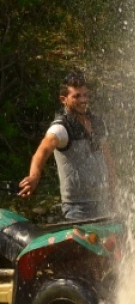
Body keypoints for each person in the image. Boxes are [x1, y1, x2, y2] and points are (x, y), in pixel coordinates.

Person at [18, 71, 117, 220]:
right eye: (76, 96)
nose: (83, 100)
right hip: (77, 208)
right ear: (64, 99)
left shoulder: (98, 123)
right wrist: (34, 176)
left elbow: (108, 161)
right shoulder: (60, 128)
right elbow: (42, 152)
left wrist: (114, 194)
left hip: (103, 203)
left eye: (85, 95)